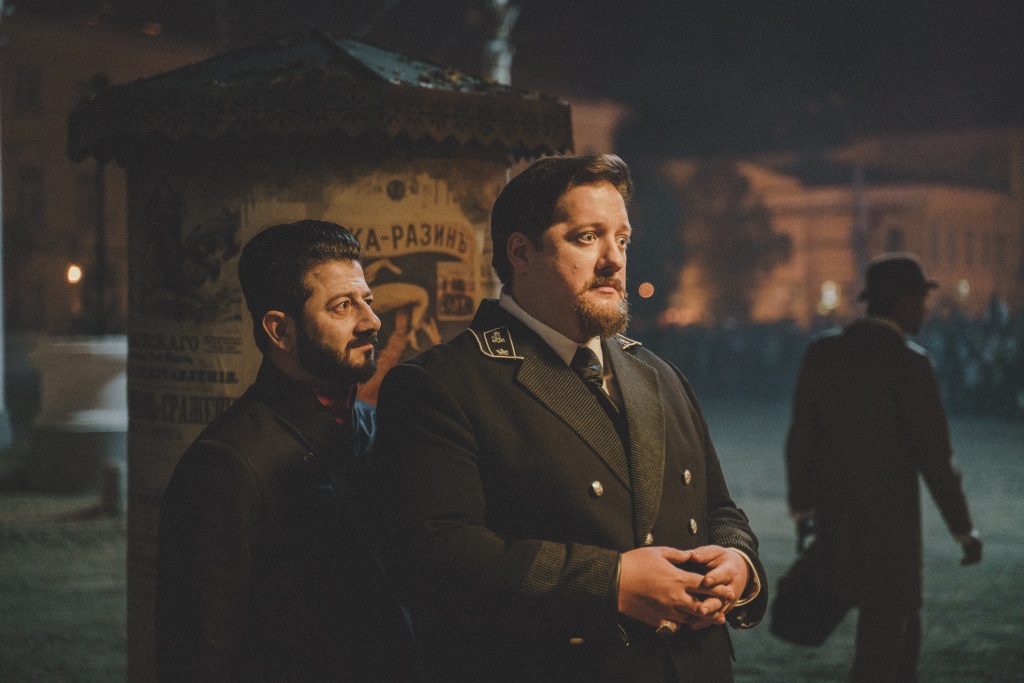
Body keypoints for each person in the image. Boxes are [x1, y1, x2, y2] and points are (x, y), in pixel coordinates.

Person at [371, 154, 767, 682]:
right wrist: (610, 582)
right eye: (586, 237)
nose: (614, 260)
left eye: (622, 240)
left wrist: (738, 565)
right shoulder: (442, 383)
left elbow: (719, 510)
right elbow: (434, 556)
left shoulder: (659, 374)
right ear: (521, 253)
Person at [155, 220, 417, 682]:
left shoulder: (374, 428)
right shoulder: (226, 463)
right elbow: (198, 653)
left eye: (367, 301)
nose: (371, 321)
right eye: (343, 306)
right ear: (280, 331)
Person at [785, 252, 983, 682]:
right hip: (891, 531)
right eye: (921, 299)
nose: (926, 309)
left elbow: (802, 439)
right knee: (885, 647)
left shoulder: (822, 353)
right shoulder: (911, 364)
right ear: (902, 300)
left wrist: (802, 508)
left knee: (895, 641)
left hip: (835, 519)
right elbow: (936, 459)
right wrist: (963, 529)